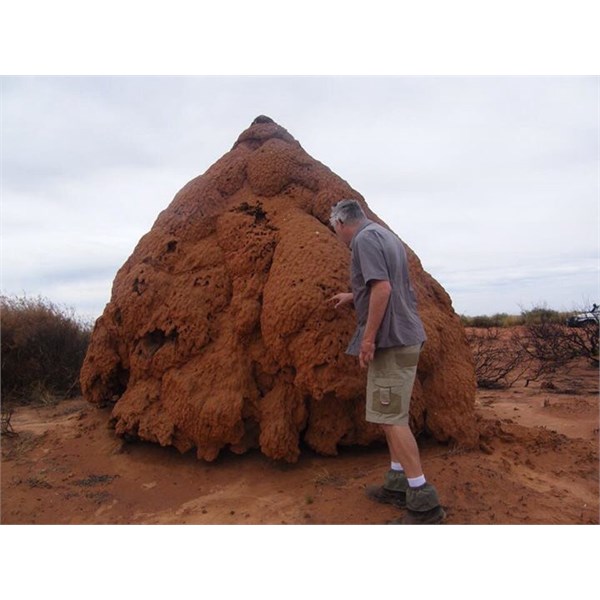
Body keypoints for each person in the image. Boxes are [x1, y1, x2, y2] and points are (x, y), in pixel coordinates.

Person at [328, 199, 446, 525]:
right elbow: (381, 285)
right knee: (388, 414)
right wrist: (353, 296)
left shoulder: (363, 241)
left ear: (340, 223)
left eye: (334, 228)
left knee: (392, 418)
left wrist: (368, 339)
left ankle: (423, 501)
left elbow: (382, 288)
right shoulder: (384, 235)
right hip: (406, 335)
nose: (336, 235)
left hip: (391, 341)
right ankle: (396, 483)